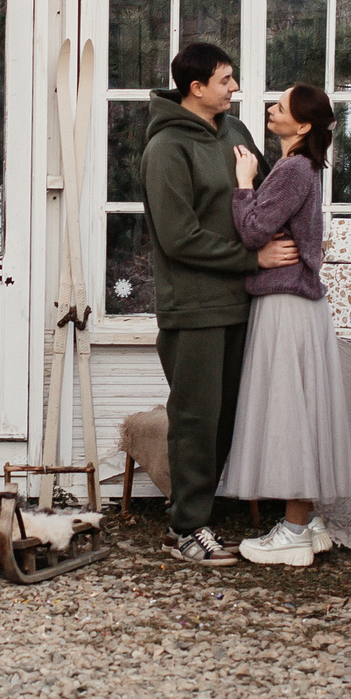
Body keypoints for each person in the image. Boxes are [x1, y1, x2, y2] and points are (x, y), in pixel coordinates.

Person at [141, 42, 298, 566]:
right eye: (226, 79)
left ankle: (197, 517)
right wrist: (254, 259)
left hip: (240, 303)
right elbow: (178, 237)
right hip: (193, 308)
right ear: (197, 88)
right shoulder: (165, 149)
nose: (235, 88)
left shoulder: (234, 133)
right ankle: (188, 528)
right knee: (196, 419)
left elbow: (257, 198)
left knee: (228, 417)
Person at [220, 83, 351, 566]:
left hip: (286, 303)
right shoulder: (302, 168)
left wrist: (244, 183)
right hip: (297, 303)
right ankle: (307, 521)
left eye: (280, 106)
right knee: (300, 408)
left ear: (301, 126)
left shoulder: (293, 168)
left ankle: (295, 530)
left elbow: (255, 230)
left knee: (290, 413)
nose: (271, 109)